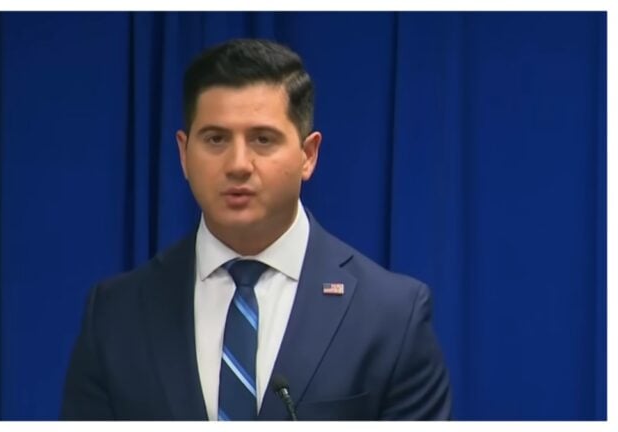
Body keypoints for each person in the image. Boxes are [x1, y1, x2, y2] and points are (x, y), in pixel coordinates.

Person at [60, 38, 451, 420]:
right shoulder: (115, 314)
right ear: (183, 153)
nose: (238, 164)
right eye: (216, 139)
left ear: (308, 155)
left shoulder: (391, 316)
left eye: (263, 140)